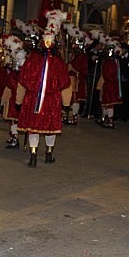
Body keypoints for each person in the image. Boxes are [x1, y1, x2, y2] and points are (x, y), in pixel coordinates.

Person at [16, 10, 72, 168]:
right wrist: (66, 104)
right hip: (51, 100)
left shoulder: (32, 60)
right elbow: (66, 84)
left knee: (33, 127)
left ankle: (33, 155)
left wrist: (18, 101)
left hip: (33, 99)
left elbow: (22, 80)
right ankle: (48, 154)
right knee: (50, 128)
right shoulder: (59, 63)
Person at [64, 24, 88, 125]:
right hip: (70, 79)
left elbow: (81, 69)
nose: (74, 46)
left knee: (75, 99)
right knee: (69, 98)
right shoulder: (72, 54)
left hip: (77, 80)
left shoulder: (82, 56)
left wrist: (71, 67)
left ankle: (74, 116)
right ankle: (68, 115)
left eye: (76, 45)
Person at [96, 38, 123, 128]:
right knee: (105, 102)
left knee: (109, 103)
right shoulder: (107, 61)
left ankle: (110, 119)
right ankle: (105, 118)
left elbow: (110, 74)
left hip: (110, 85)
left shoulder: (112, 63)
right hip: (106, 84)